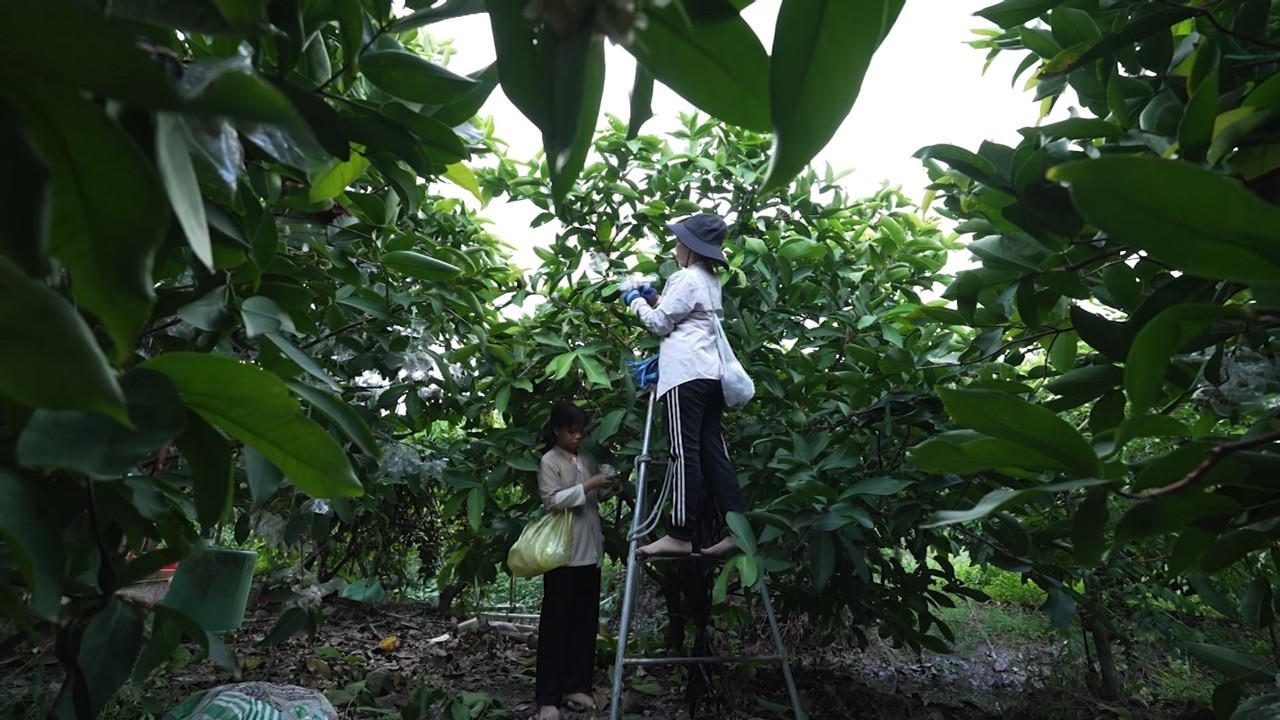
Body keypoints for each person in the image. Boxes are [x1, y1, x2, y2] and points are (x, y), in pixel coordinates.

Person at [621, 212, 745, 559]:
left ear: (690, 247)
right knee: (712, 452)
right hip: (709, 376)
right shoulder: (709, 279)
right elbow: (685, 316)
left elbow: (660, 325)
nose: (676, 246)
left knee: (682, 451)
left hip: (684, 377)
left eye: (679, 241)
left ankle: (679, 533)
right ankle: (739, 530)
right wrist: (655, 298)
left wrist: (637, 303)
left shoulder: (685, 277)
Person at [534, 401, 621, 720]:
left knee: (585, 624)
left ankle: (576, 685)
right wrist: (589, 484)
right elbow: (552, 501)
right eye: (572, 431)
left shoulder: (588, 458)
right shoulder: (549, 461)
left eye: (580, 431)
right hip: (562, 556)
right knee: (555, 627)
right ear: (557, 430)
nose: (577, 437)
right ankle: (547, 697)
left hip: (589, 554)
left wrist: (609, 486)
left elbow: (597, 497)